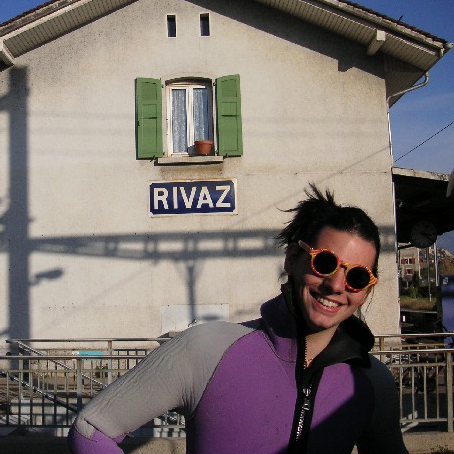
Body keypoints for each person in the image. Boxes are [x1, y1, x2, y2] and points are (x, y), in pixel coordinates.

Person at [67, 185, 407, 453]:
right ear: (292, 258)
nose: (336, 285)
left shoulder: (372, 384)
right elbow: (92, 430)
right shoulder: (207, 350)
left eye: (357, 277)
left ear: (367, 290)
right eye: (325, 263)